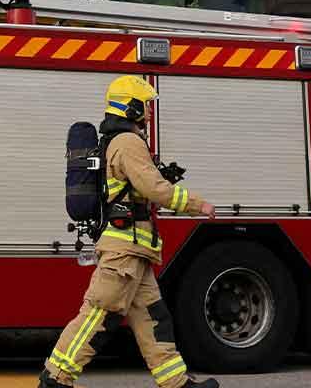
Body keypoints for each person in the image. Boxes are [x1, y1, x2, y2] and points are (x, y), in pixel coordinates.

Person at [42, 75, 219, 388]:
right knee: (99, 314)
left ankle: (175, 382)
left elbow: (138, 186)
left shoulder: (121, 141)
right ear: (131, 106)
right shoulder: (128, 142)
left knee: (153, 320)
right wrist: (198, 204)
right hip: (124, 251)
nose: (149, 112)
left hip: (135, 250)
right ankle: (56, 378)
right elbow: (155, 189)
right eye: (145, 105)